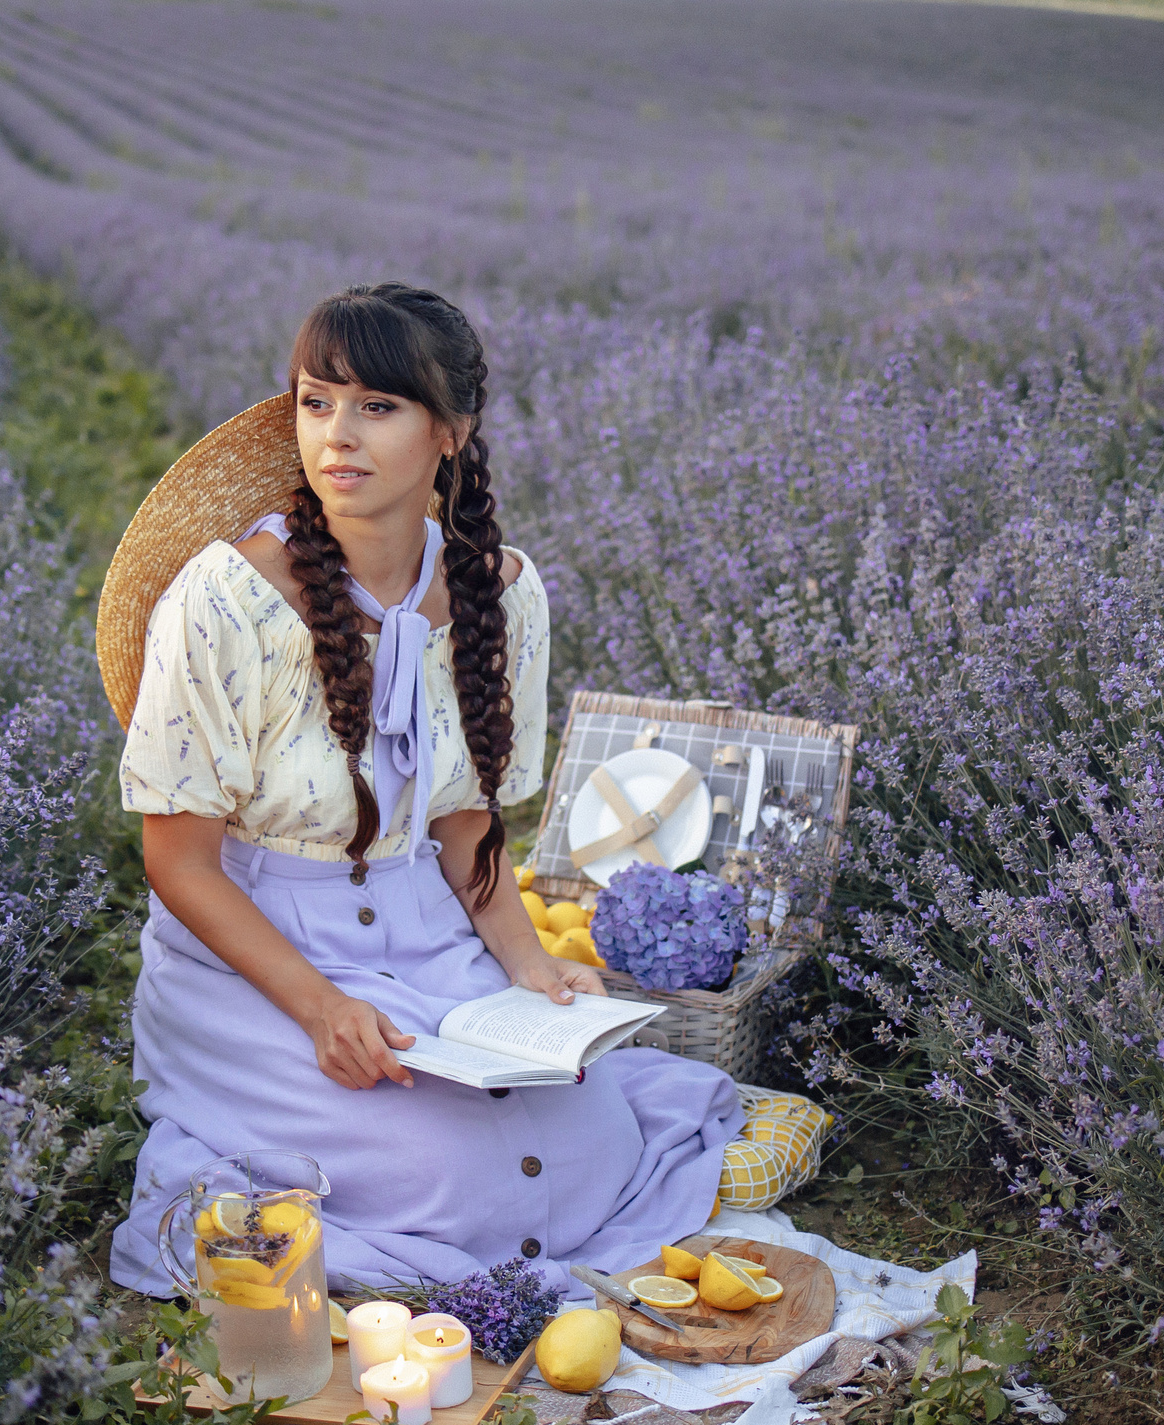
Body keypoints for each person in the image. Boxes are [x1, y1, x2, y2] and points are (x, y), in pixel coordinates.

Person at [102, 282, 740, 1298]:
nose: (337, 437)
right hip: (256, 957)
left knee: (588, 1145)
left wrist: (529, 967)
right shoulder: (225, 600)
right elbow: (177, 862)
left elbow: (466, 826)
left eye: (377, 407)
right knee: (453, 1178)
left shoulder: (502, 594)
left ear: (452, 432)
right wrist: (320, 1011)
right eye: (316, 402)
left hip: (421, 928)